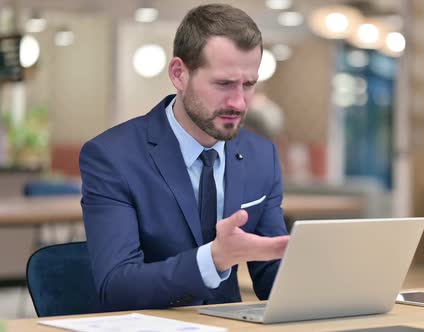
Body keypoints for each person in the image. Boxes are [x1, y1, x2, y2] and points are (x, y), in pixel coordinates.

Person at [79, 4, 289, 312]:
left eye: (249, 84)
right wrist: (214, 259)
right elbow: (117, 287)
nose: (240, 102)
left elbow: (273, 275)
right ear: (179, 74)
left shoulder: (262, 155)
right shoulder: (112, 157)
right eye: (224, 84)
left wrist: (336, 279)